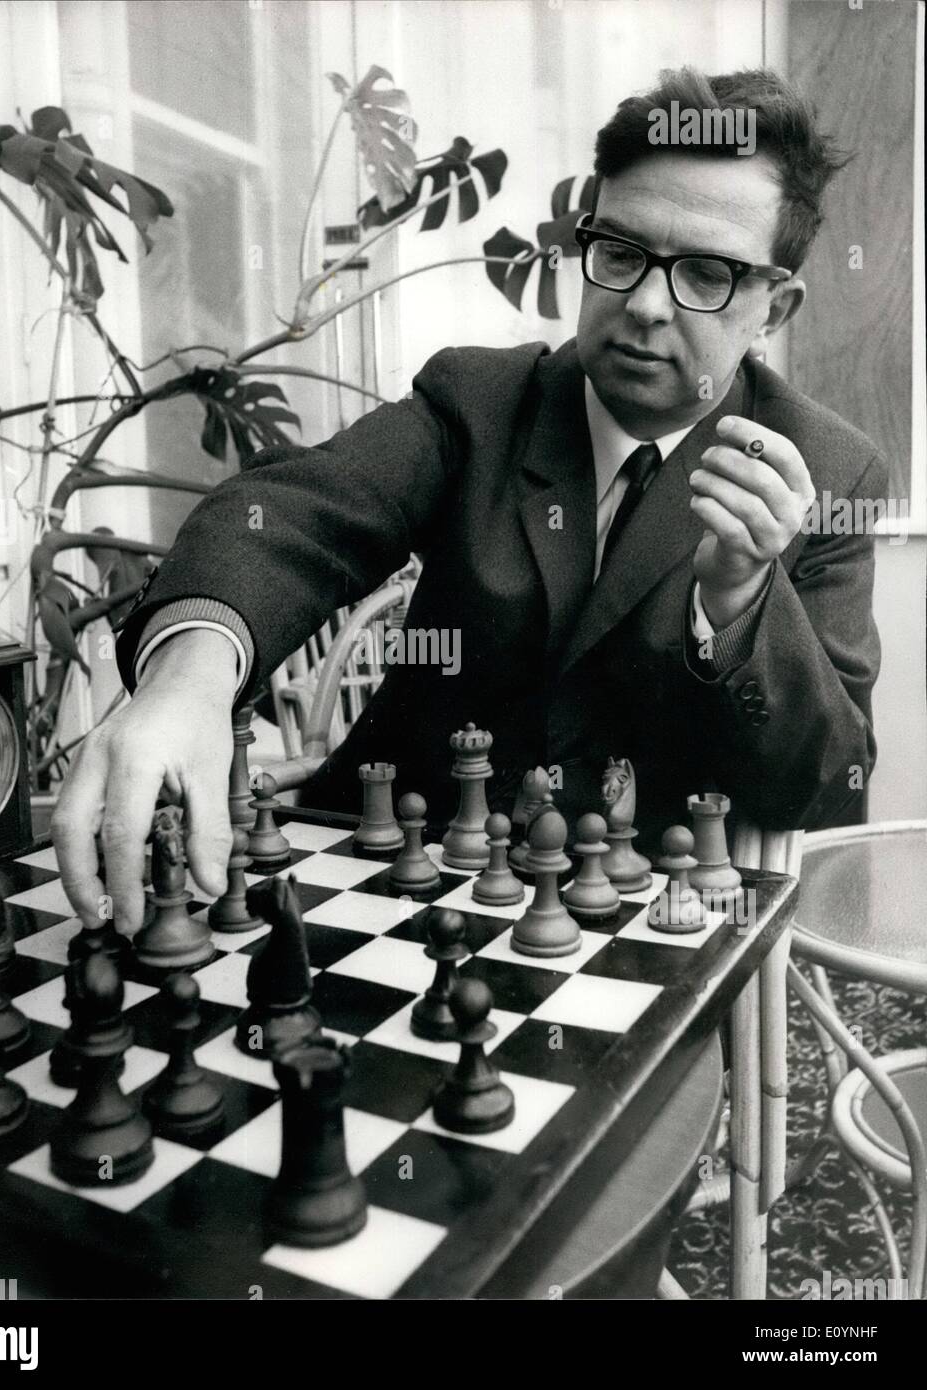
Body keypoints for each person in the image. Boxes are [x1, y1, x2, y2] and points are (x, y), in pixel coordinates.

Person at [54, 67, 887, 939]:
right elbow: (291, 515)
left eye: (707, 273)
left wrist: (743, 602)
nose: (643, 304)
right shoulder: (479, 404)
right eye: (620, 253)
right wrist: (188, 678)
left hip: (643, 931)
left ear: (775, 306)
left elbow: (827, 787)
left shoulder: (826, 473)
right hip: (391, 894)